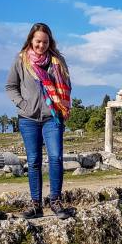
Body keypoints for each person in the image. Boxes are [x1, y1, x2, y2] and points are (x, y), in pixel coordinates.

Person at [6, 23, 72, 219]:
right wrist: (22, 104)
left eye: (45, 42)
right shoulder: (21, 61)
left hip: (53, 117)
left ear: (49, 42)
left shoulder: (58, 62)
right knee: (34, 161)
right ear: (31, 41)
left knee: (56, 158)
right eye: (38, 42)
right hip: (28, 118)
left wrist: (61, 105)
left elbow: (67, 86)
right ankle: (36, 205)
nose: (41, 45)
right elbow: (10, 86)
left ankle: (55, 201)